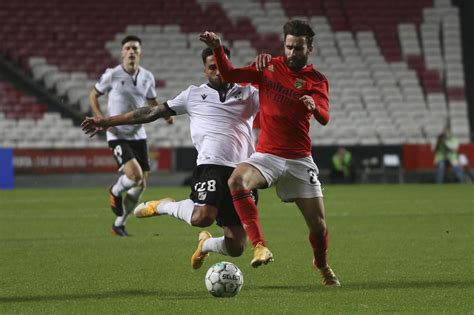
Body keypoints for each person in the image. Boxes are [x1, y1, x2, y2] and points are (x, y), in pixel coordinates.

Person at [82, 46, 260, 269]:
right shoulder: (193, 95)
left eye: (222, 66)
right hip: (211, 167)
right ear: (205, 70)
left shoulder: (251, 94)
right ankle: (164, 206)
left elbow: (280, 105)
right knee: (202, 217)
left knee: (237, 247)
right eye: (212, 67)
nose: (218, 71)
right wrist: (108, 121)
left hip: (243, 173)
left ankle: (205, 245)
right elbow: (151, 112)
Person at [200, 19, 340, 286]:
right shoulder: (268, 67)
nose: (291, 53)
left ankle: (321, 263)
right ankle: (259, 245)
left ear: (309, 47)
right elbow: (229, 75)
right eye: (288, 47)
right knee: (236, 180)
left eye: (298, 48)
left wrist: (313, 107)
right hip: (268, 156)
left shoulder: (316, 80)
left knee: (319, 226)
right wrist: (218, 48)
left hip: (299, 159)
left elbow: (325, 117)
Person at [88, 35, 173, 237]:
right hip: (117, 133)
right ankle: (115, 191)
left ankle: (119, 224)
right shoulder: (112, 75)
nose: (131, 51)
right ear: (122, 52)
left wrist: (165, 115)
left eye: (135, 48)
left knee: (141, 183)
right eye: (128, 48)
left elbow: (152, 102)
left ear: (140, 52)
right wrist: (102, 120)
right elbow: (93, 95)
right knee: (134, 176)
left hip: (139, 134)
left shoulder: (147, 77)